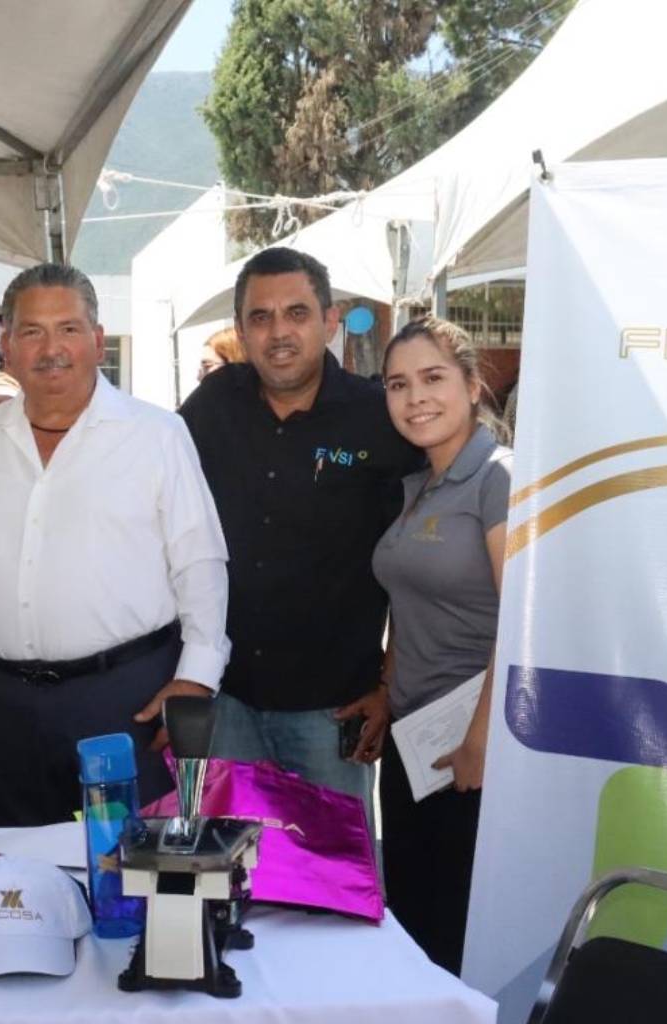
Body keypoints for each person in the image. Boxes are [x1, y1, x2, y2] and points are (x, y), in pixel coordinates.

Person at [0, 263, 230, 826]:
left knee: (125, 877)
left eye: (69, 329)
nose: (51, 348)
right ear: (6, 344)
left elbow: (199, 560)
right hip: (1, 703)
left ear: (98, 340)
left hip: (121, 700)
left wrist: (196, 675)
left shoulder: (156, 434)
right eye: (31, 331)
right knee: (15, 885)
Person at [179, 247, 420, 830]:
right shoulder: (213, 407)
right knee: (230, 878)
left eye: (297, 313)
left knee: (334, 890)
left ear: (330, 320)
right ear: (241, 329)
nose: (279, 332)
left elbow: (418, 565)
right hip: (226, 702)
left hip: (332, 711)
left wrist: (390, 683)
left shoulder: (378, 419)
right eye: (260, 317)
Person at [372, 316, 512, 975]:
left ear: (472, 384)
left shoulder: (497, 480)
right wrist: (385, 690)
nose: (415, 397)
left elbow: (520, 623)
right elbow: (407, 604)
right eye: (398, 384)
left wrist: (481, 739)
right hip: (411, 742)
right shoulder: (418, 485)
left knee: (457, 932)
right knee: (411, 923)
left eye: (432, 378)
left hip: (469, 752)